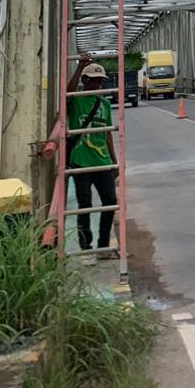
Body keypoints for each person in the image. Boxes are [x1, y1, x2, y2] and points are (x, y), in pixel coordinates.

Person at [66, 53, 119, 258]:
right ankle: (86, 246)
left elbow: (107, 134)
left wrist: (114, 162)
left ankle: (103, 245)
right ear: (84, 81)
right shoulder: (77, 101)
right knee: (84, 205)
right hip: (81, 161)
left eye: (100, 81)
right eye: (93, 80)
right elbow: (67, 94)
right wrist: (80, 67)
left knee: (110, 201)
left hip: (102, 160)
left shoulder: (104, 104)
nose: (97, 84)